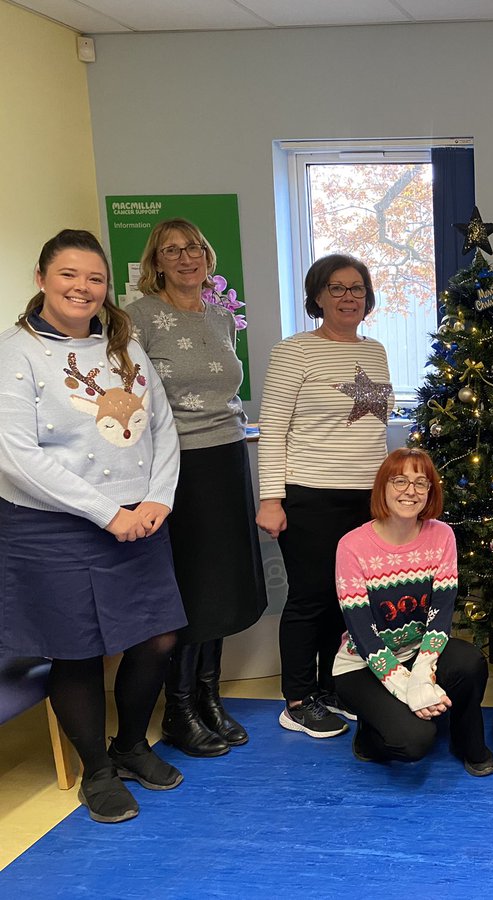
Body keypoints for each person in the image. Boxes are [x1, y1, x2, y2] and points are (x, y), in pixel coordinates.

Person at [0, 230, 186, 823]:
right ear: (41, 279)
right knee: (76, 652)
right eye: (69, 275)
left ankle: (129, 746)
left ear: (108, 288)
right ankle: (96, 772)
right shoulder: (15, 352)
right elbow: (15, 452)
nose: (83, 288)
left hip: (139, 518)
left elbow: (161, 427)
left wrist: (158, 497)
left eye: (95, 279)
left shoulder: (123, 348)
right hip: (52, 525)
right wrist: (105, 512)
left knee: (158, 637)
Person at [126, 218, 267, 758]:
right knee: (193, 587)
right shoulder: (137, 319)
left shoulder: (220, 315)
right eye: (171, 250)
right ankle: (180, 708)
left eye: (194, 248)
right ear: (155, 262)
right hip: (176, 465)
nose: (186, 258)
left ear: (207, 256)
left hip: (228, 456)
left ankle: (208, 698)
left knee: (224, 585)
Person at [257, 254, 392, 739]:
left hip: (367, 499)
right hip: (309, 492)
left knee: (348, 600)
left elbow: (373, 432)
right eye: (336, 288)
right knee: (310, 598)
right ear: (317, 295)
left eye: (357, 288)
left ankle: (331, 686)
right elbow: (272, 428)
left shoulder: (374, 351)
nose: (348, 296)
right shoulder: (294, 351)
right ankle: (297, 699)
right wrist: (271, 498)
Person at [332, 449, 493, 775]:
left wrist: (423, 672)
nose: (411, 491)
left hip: (417, 653)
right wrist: (409, 688)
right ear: (383, 487)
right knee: (415, 741)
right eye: (400, 481)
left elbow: (441, 613)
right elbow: (364, 636)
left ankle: (468, 742)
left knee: (471, 663)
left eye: (422, 483)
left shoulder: (441, 535)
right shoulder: (352, 546)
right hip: (360, 665)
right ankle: (369, 737)